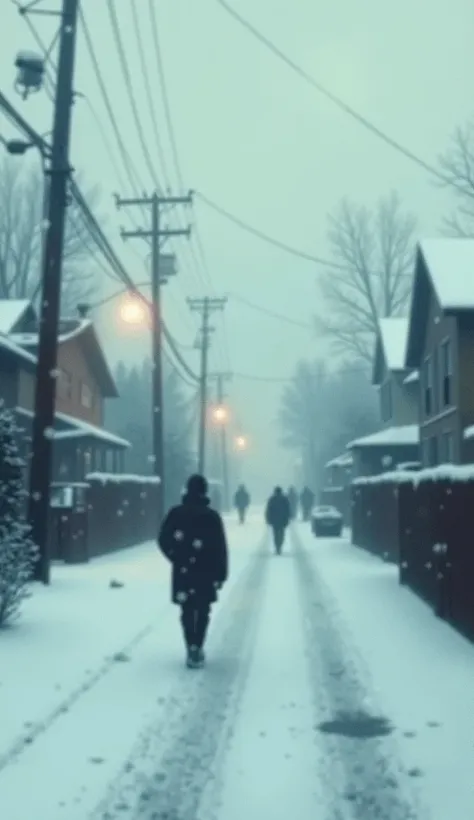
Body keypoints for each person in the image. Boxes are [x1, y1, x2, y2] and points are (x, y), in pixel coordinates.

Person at [158, 474, 228, 669]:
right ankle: (198, 645)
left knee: (187, 609)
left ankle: (190, 645)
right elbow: (220, 548)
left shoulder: (176, 513)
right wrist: (220, 574)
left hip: (183, 570)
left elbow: (163, 538)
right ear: (205, 491)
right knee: (203, 609)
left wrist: (175, 555)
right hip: (206, 571)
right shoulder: (211, 517)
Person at [265, 487, 291, 554]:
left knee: (275, 534)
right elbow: (288, 510)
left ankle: (277, 547)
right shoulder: (284, 499)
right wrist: (287, 518)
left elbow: (268, 510)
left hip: (274, 520)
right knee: (281, 534)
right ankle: (279, 546)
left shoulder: (272, 499)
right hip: (282, 519)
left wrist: (268, 519)